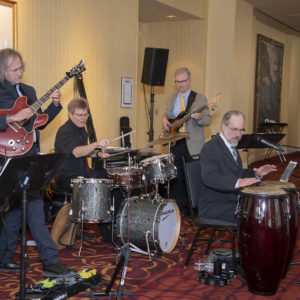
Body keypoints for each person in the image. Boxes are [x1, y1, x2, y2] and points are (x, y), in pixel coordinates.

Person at [0, 48, 76, 277]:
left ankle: (3, 259)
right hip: (8, 158)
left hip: (30, 154)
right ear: (3, 71)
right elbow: (12, 119)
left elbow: (38, 122)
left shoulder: (29, 91)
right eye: (14, 69)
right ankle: (51, 261)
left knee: (15, 211)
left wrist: (54, 106)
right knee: (33, 208)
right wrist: (12, 117)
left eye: (21, 68)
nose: (20, 73)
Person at [54, 97, 122, 242]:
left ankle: (114, 224)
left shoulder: (81, 130)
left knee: (112, 180)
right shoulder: (64, 131)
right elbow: (77, 152)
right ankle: (107, 233)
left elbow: (85, 151)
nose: (83, 118)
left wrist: (97, 153)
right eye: (80, 115)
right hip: (68, 176)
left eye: (86, 115)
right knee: (101, 185)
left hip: (82, 173)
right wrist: (96, 143)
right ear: (70, 114)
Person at [198, 110, 277, 223]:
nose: (239, 135)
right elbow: (210, 178)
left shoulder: (231, 145)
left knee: (264, 208)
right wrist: (238, 182)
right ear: (223, 126)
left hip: (231, 200)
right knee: (255, 215)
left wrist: (256, 174)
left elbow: (236, 173)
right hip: (214, 205)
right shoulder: (211, 147)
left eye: (241, 130)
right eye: (234, 130)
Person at [161, 67, 211, 215]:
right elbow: (166, 114)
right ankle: (181, 209)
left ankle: (195, 208)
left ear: (189, 80)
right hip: (175, 141)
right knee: (177, 176)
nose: (181, 84)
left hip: (192, 142)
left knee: (192, 176)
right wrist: (164, 119)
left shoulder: (200, 98)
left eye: (183, 81)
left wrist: (199, 117)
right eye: (178, 82)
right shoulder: (171, 97)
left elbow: (207, 120)